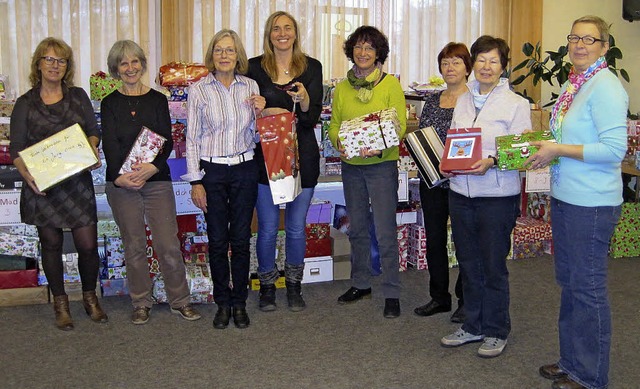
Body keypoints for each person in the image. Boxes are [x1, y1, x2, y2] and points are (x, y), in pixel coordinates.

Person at [528, 16, 627, 389]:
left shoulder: (605, 87)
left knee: (588, 289)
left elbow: (614, 149)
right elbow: (567, 140)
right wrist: (544, 149)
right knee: (570, 284)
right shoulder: (576, 84)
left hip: (592, 204)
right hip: (568, 198)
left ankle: (590, 376)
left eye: (589, 39)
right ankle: (571, 361)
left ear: (604, 46)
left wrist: (558, 149)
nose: (579, 44)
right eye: (574, 38)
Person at [438, 35, 530, 357]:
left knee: (492, 265)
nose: (486, 67)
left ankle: (496, 329)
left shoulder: (517, 105)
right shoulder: (463, 100)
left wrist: (492, 162)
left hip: (496, 196)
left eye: (493, 61)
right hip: (460, 193)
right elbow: (459, 143)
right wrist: (448, 165)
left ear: (503, 67)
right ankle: (473, 325)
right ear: (473, 64)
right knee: (468, 263)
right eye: (481, 60)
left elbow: (522, 153)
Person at [9, 37, 107, 330]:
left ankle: (90, 298)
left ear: (67, 66)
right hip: (43, 186)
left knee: (88, 245)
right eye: (49, 59)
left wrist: (90, 150)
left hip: (76, 183)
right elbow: (16, 149)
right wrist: (31, 179)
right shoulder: (25, 103)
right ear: (38, 64)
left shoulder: (77, 96)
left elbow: (93, 131)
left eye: (61, 60)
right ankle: (61, 304)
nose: (55, 65)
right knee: (50, 244)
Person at [101, 40, 201, 325]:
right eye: (123, 63)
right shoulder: (109, 103)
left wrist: (151, 168)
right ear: (116, 69)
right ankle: (141, 302)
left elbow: (167, 141)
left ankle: (180, 300)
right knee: (133, 245)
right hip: (121, 184)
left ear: (142, 65)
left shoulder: (158, 99)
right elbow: (110, 145)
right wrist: (121, 178)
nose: (130, 68)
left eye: (135, 62)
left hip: (156, 180)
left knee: (168, 243)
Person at [185, 30, 265, 329]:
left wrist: (261, 112)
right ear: (212, 55)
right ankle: (222, 302)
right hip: (213, 172)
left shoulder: (251, 86)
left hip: (245, 168)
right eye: (219, 50)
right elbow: (192, 140)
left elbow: (259, 136)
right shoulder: (199, 90)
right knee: (218, 240)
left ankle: (240, 302)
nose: (224, 55)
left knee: (241, 239)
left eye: (230, 50)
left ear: (237, 55)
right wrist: (195, 181)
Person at [328, 26, 407, 318]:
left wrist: (380, 146)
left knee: (385, 231)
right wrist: (340, 143)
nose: (363, 53)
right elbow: (334, 125)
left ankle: (391, 291)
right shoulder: (342, 88)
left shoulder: (390, 86)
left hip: (381, 166)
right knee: (358, 228)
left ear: (378, 54)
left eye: (369, 48)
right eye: (359, 47)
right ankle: (361, 283)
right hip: (352, 168)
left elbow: (397, 127)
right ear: (352, 51)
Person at [248, 11, 323, 312]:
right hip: (266, 159)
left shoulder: (311, 67)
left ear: (295, 33)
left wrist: (304, 97)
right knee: (266, 227)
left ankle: (293, 285)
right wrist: (260, 112)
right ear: (269, 34)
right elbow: (246, 115)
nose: (282, 34)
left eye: (288, 28)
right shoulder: (253, 68)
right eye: (276, 29)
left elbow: (311, 115)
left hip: (302, 157)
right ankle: (267, 286)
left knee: (295, 228)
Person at [413, 42, 471, 323]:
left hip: (463, 182)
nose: (450, 68)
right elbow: (424, 135)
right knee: (434, 240)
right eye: (445, 63)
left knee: (464, 242)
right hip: (433, 180)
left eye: (456, 62)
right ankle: (439, 297)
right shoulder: (433, 100)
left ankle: (465, 299)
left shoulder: (475, 100)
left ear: (467, 67)